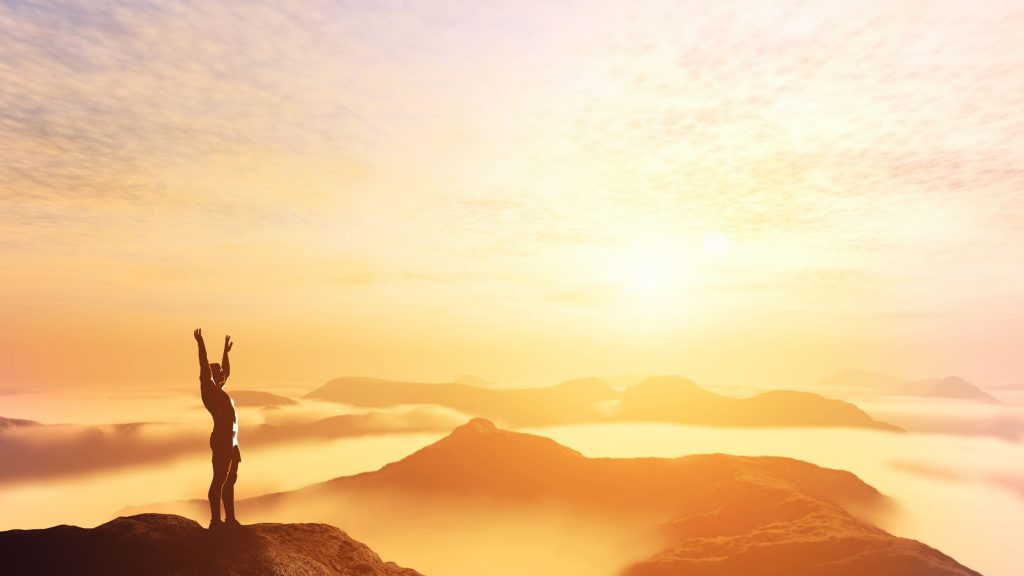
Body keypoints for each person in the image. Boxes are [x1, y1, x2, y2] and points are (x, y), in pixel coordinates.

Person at [194, 328, 241, 529]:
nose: (222, 374)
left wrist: (225, 352)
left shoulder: (219, 390)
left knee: (230, 480)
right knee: (219, 479)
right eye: (218, 373)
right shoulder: (210, 391)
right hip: (222, 442)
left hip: (232, 442)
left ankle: (229, 519)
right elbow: (204, 367)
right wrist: (200, 343)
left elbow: (226, 371)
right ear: (210, 377)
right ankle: (215, 521)